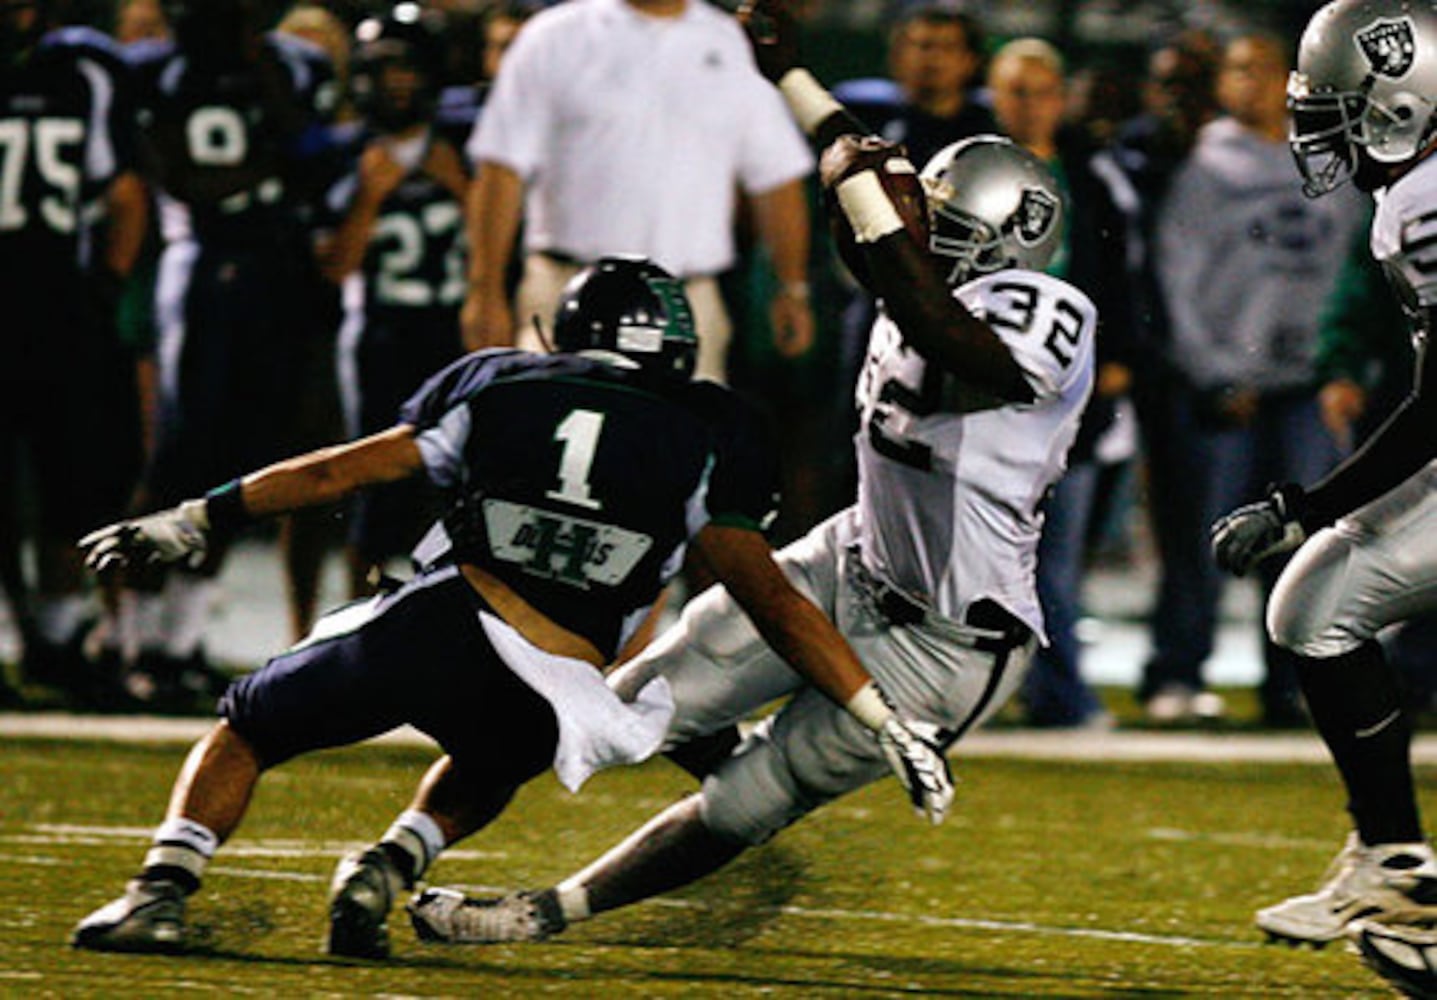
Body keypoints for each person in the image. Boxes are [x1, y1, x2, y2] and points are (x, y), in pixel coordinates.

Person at [404, 0, 1096, 946]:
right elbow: (868, 163)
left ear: (1012, 237)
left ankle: (543, 914)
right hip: (851, 560)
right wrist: (789, 75)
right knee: (635, 698)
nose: (925, 234)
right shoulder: (927, 279)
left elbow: (946, 332)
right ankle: (401, 847)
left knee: (746, 800)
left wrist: (869, 214)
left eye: (948, 225)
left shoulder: (1042, 306)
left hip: (947, 641)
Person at [68, 256, 952, 959]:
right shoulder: (712, 430)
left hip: (439, 625)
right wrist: (875, 711)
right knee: (489, 761)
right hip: (555, 688)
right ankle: (390, 863)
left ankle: (159, 893)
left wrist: (197, 517)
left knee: (248, 728)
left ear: (560, 332)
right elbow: (769, 598)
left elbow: (345, 470)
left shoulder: (500, 382)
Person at [1209, 0, 1437, 966]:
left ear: (1399, 105)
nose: (1317, 128)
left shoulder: (1422, 200)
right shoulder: (1411, 195)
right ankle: (1392, 861)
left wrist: (1304, 503)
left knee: (1317, 590)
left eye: (1337, 107)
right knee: (1315, 602)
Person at [1151, 31, 1363, 727]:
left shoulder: (1330, 161)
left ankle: (1290, 682)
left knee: (1303, 541)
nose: (1249, 83)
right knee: (1204, 537)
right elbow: (1176, 278)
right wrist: (1212, 371)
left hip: (1306, 384)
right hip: (1228, 387)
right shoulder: (1204, 166)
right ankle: (1179, 672)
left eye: (1262, 68)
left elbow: (1354, 275)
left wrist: (1343, 366)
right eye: (1236, 70)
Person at [125, 0, 340, 685]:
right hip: (202, 261)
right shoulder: (155, 71)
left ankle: (181, 639)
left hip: (273, 267)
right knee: (178, 450)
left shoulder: (291, 65)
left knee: (245, 455)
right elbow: (175, 172)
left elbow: (310, 155)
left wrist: (268, 81)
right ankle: (130, 636)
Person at [460, 0, 815, 384]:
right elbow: (501, 168)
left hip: (685, 307)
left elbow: (776, 177)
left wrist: (792, 286)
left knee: (681, 440)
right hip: (566, 294)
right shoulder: (553, 36)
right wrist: (485, 289)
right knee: (546, 434)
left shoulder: (731, 43)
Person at [0, 0, 149, 704]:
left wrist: (105, 287)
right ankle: (35, 638)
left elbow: (124, 192)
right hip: (46, 305)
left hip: (58, 306)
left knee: (75, 479)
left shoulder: (83, 68)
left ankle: (58, 640)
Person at [986, 37, 1136, 729]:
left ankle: (1057, 691)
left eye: (1040, 89)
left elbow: (1119, 272)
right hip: (982, 384)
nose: (1028, 103)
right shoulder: (969, 169)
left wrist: (1115, 358)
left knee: (1054, 555)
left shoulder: (1088, 176)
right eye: (1014, 88)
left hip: (1064, 391)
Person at [319, 4, 468, 595]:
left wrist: (462, 188)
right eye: (381, 69)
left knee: (455, 490)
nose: (393, 82)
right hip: (378, 332)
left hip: (455, 333)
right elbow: (335, 268)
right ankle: (355, 625)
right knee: (373, 487)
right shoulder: (344, 152)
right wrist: (368, 198)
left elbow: (497, 245)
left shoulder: (468, 145)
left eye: (405, 68)